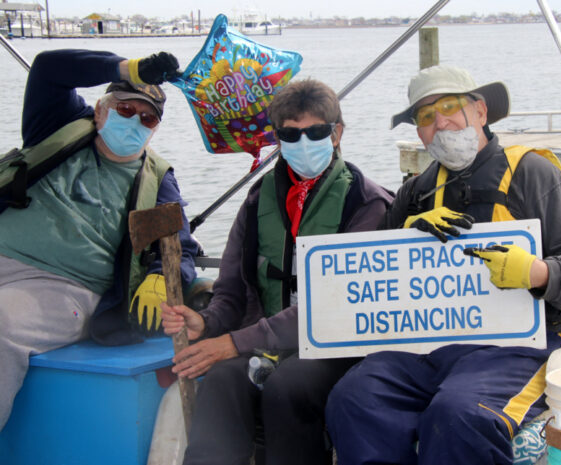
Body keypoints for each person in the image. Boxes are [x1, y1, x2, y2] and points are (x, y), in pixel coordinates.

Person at [325, 64, 561, 465]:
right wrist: (404, 234)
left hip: (521, 347)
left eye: (449, 107)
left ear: (480, 111)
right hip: (427, 347)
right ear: (419, 133)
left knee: (461, 413)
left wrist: (538, 273)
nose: (440, 122)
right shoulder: (416, 191)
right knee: (354, 398)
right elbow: (374, 267)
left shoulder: (532, 172)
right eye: (425, 116)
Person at [161, 78, 393, 465]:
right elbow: (232, 290)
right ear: (278, 139)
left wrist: (234, 343)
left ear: (337, 134)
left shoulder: (367, 204)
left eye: (315, 132)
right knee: (221, 379)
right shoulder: (257, 201)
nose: (303, 142)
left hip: (338, 348)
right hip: (266, 345)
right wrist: (207, 322)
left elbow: (335, 306)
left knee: (289, 385)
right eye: (290, 134)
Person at [0, 49, 199, 430]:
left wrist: (160, 277)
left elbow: (177, 245)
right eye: (125, 109)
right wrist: (128, 68)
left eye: (147, 118)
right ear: (100, 110)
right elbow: (48, 68)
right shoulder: (58, 129)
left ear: (155, 129)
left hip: (64, 287)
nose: (134, 121)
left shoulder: (154, 181)